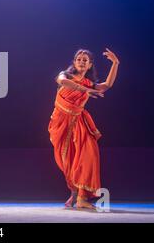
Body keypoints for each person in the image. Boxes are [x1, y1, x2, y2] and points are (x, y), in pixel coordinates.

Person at [48, 48, 119, 209]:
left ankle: (81, 198)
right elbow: (62, 82)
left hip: (79, 122)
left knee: (89, 153)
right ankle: (74, 192)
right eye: (79, 59)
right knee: (68, 161)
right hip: (60, 124)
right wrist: (85, 90)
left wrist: (115, 63)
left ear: (89, 65)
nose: (81, 61)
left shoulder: (89, 83)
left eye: (85, 60)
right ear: (74, 62)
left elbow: (106, 85)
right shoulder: (65, 75)